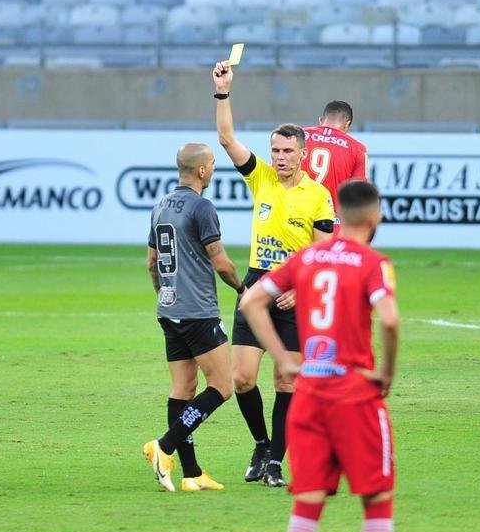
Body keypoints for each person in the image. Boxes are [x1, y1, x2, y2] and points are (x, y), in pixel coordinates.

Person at [240, 179, 419, 532]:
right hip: (355, 395)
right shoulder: (373, 263)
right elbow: (390, 318)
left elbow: (251, 301)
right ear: (375, 217)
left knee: (307, 505)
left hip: (310, 395)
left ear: (339, 213)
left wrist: (283, 359)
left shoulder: (307, 258)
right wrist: (386, 372)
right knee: (377, 501)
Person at [212, 59, 335, 488]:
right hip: (257, 285)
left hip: (295, 292)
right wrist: (223, 91)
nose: (280, 158)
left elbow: (323, 254)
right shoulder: (260, 179)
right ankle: (262, 444)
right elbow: (226, 139)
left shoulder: (318, 196)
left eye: (287, 151)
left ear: (303, 153)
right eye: (276, 151)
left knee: (287, 380)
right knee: (242, 378)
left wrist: (301, 289)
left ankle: (276, 463)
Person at [142, 143, 244, 492]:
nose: (213, 169)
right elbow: (221, 262)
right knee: (222, 387)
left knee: (183, 388)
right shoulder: (202, 207)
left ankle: (192, 473)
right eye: (212, 164)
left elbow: (152, 262)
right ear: (201, 170)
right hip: (198, 311)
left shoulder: (160, 206)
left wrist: (165, 295)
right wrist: (242, 288)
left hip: (169, 309)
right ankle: (164, 446)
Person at [303, 101, 368, 221]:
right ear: (347, 124)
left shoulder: (299, 136)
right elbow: (357, 192)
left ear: (321, 120)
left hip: (297, 218)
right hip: (331, 222)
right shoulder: (357, 148)